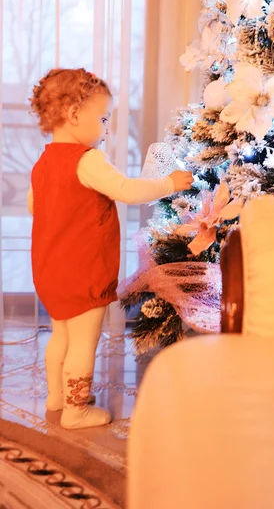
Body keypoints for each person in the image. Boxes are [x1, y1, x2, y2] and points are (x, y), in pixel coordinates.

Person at [27, 68, 193, 430]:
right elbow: (128, 191)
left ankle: (57, 397)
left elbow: (33, 206)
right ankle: (76, 410)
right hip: (83, 270)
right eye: (103, 118)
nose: (105, 128)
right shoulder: (87, 160)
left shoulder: (43, 164)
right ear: (74, 115)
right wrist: (169, 182)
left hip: (50, 269)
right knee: (85, 340)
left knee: (60, 336)